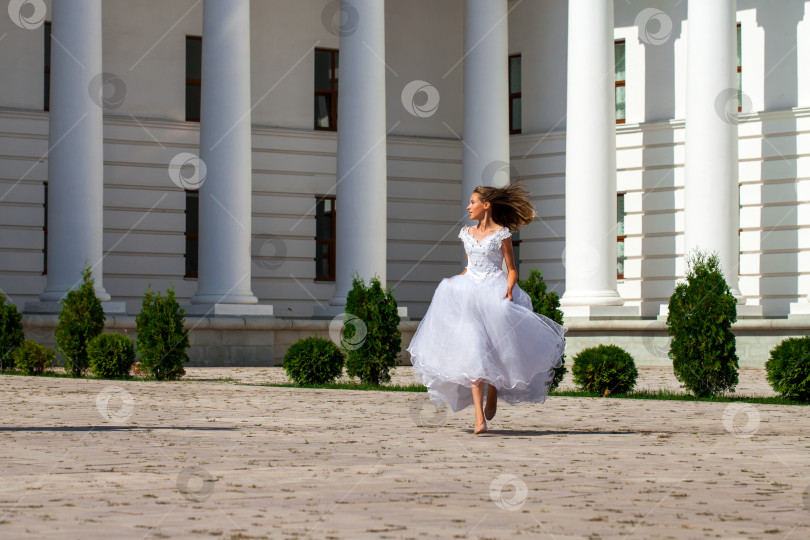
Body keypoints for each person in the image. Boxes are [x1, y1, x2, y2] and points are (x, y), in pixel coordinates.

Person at [406, 180, 567, 435]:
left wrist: (509, 291)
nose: (468, 207)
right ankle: (479, 419)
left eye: (473, 202)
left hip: (494, 290)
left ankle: (494, 389)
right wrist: (454, 281)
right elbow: (470, 268)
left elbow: (511, 270)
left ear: (486, 205)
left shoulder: (502, 234)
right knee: (474, 353)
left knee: (496, 349)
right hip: (469, 293)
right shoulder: (466, 233)